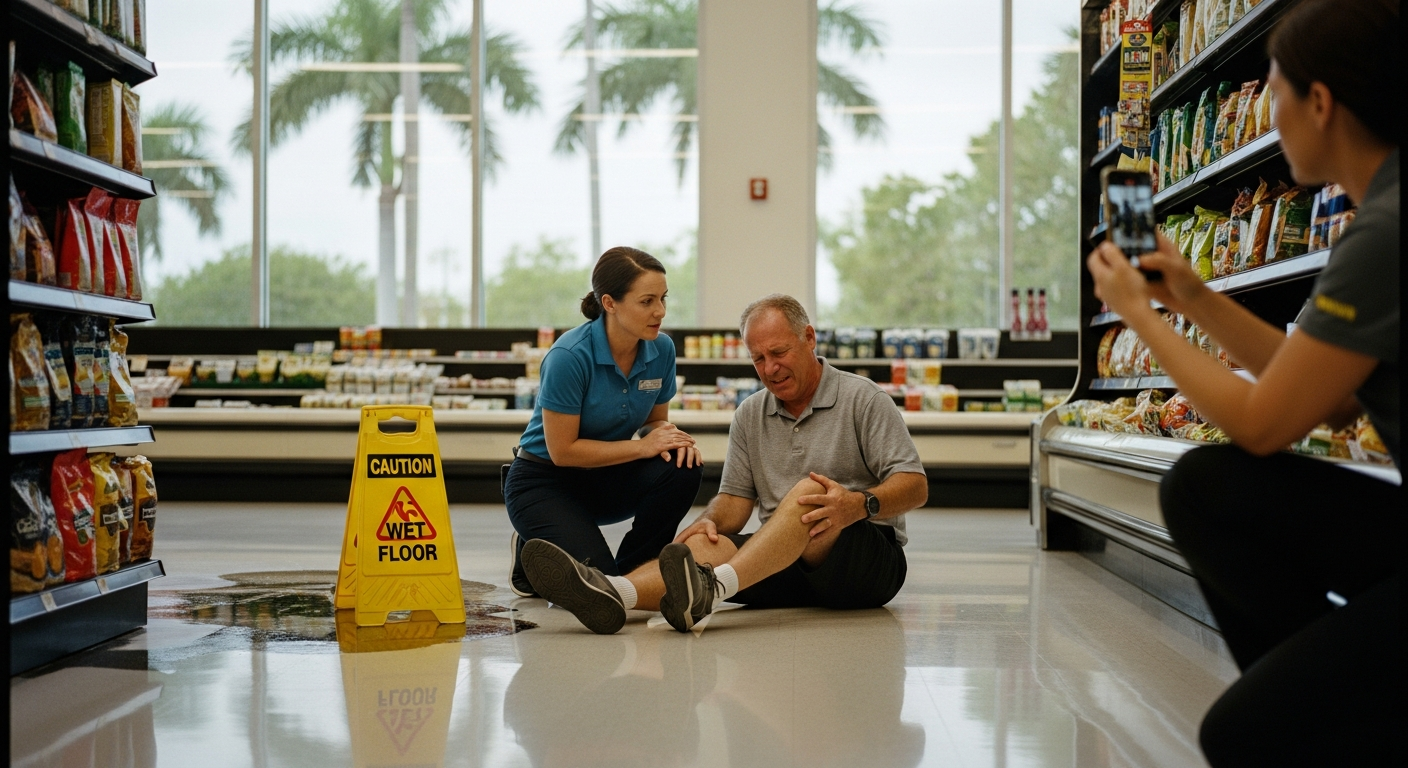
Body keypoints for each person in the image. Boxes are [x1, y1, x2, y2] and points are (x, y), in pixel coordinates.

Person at [1084, 1, 1399, 764]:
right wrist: (1187, 293)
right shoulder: (1382, 212)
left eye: (1277, 87)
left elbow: (1265, 424)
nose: (1272, 107)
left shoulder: (1384, 233)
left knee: (1241, 735)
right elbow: (1328, 392)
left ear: (1319, 103)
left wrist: (1141, 317)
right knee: (1206, 487)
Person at [520, 293, 929, 634]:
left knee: (811, 496)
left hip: (863, 564)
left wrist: (858, 505)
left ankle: (712, 590)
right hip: (782, 560)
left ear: (809, 338)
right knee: (701, 544)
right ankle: (613, 593)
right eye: (758, 359)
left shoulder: (864, 399)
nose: (770, 369)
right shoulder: (751, 413)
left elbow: (915, 485)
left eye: (779, 353)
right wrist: (711, 520)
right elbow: (735, 501)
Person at [504, 246, 703, 602]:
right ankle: (536, 538)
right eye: (647, 301)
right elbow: (562, 452)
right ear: (609, 303)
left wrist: (669, 438)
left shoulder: (662, 350)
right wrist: (644, 446)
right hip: (544, 481)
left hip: (606, 475)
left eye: (663, 298)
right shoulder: (569, 357)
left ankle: (634, 573)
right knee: (597, 588)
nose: (660, 311)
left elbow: (655, 423)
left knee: (682, 467)